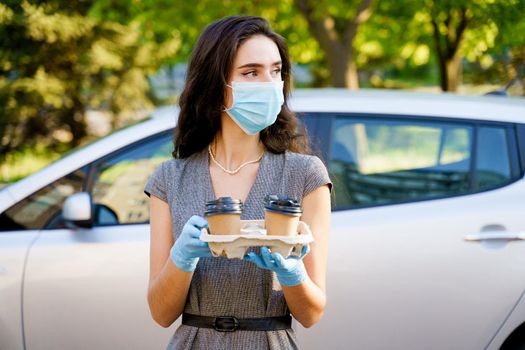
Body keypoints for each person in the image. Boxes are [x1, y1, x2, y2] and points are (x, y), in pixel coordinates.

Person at [144, 15, 332, 350]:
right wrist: (181, 258)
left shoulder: (306, 174)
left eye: (276, 71)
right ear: (216, 85)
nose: (269, 83)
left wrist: (292, 274)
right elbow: (160, 313)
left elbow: (312, 313)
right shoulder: (169, 179)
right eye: (251, 72)